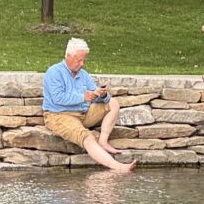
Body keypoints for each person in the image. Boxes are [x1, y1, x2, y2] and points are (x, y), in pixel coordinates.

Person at [43, 38, 136, 174]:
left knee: (113, 103)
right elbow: (58, 98)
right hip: (59, 116)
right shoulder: (54, 72)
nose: (82, 64)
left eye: (84, 60)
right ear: (68, 56)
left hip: (83, 114)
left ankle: (103, 141)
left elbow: (96, 96)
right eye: (79, 60)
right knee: (88, 137)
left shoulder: (84, 75)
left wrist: (102, 95)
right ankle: (118, 167)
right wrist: (83, 97)